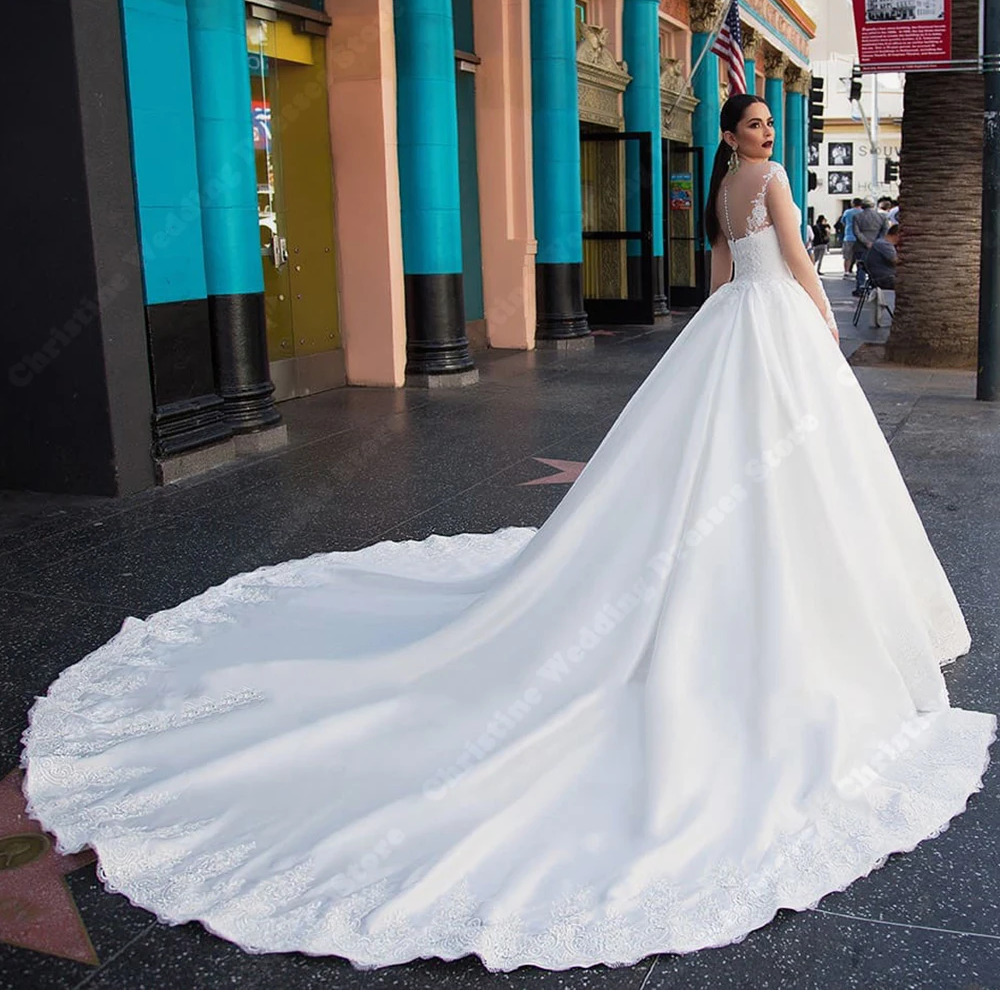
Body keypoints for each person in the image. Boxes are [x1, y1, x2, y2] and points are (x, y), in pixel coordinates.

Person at [20, 94, 995, 973]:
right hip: (773, 322)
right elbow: (789, 254)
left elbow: (723, 262)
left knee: (715, 467)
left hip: (730, 324)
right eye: (753, 125)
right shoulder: (774, 182)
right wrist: (822, 323)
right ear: (741, 137)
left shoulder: (723, 183)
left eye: (766, 127)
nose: (765, 136)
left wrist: (746, 303)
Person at [852, 197, 889, 296]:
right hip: (877, 247)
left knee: (860, 267)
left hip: (861, 246)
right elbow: (885, 231)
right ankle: (875, 287)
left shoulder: (857, 216)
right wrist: (876, 242)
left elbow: (856, 232)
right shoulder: (882, 217)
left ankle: (860, 288)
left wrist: (866, 242)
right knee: (875, 267)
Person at [865, 222, 900, 289]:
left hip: (882, 277)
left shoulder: (882, 243)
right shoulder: (884, 244)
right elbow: (896, 261)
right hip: (885, 278)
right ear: (897, 235)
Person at [840, 197, 863, 277]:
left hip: (849, 236)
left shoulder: (847, 212)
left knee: (847, 256)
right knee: (859, 256)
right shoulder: (863, 212)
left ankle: (846, 271)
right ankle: (859, 271)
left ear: (853, 204)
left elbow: (843, 222)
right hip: (860, 237)